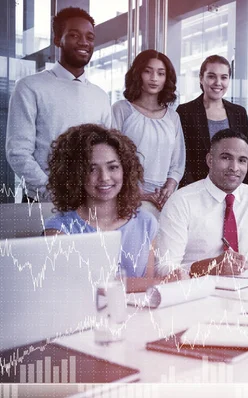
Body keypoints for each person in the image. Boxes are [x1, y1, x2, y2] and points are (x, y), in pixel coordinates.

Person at [6, 7, 111, 202]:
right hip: (44, 201)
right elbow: (18, 152)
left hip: (91, 202)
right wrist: (52, 192)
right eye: (74, 35)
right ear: (57, 40)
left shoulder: (101, 96)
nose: (84, 42)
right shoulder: (30, 87)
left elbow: (106, 153)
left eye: (90, 37)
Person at [43, 124, 161, 292]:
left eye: (112, 167)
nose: (104, 177)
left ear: (125, 170)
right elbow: (79, 288)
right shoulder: (59, 230)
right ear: (75, 174)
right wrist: (160, 282)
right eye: (91, 169)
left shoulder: (146, 222)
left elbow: (148, 289)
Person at [155, 129, 248, 278]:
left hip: (244, 289)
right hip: (194, 292)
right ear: (210, 160)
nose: (234, 167)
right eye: (226, 158)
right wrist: (211, 266)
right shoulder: (181, 201)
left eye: (242, 160)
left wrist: (244, 270)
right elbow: (164, 266)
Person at [112, 49, 185, 217]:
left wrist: (168, 190)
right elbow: (113, 157)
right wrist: (140, 194)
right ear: (138, 74)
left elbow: (177, 163)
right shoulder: (122, 109)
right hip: (127, 197)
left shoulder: (173, 117)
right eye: (148, 71)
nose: (154, 78)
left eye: (161, 73)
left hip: (163, 201)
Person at [176, 55, 248, 188]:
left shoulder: (238, 113)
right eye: (211, 76)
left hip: (233, 188)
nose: (218, 82)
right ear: (201, 78)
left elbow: (245, 156)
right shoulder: (185, 112)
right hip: (196, 188)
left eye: (224, 77)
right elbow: (183, 158)